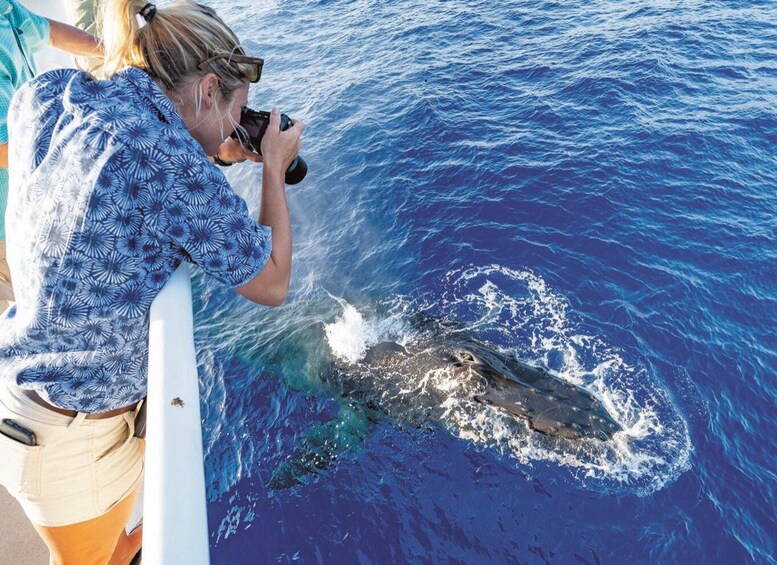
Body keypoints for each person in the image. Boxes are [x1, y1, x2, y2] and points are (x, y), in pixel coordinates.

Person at [0, 0, 304, 562]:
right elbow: (272, 282)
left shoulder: (51, 93)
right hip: (69, 437)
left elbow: (125, 174)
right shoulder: (168, 163)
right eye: (237, 109)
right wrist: (275, 169)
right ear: (209, 89)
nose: (237, 127)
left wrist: (211, 151)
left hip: (30, 388)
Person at [1, 0, 102, 314]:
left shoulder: (6, 8)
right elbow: (5, 150)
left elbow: (50, 32)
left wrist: (113, 50)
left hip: (23, 210)